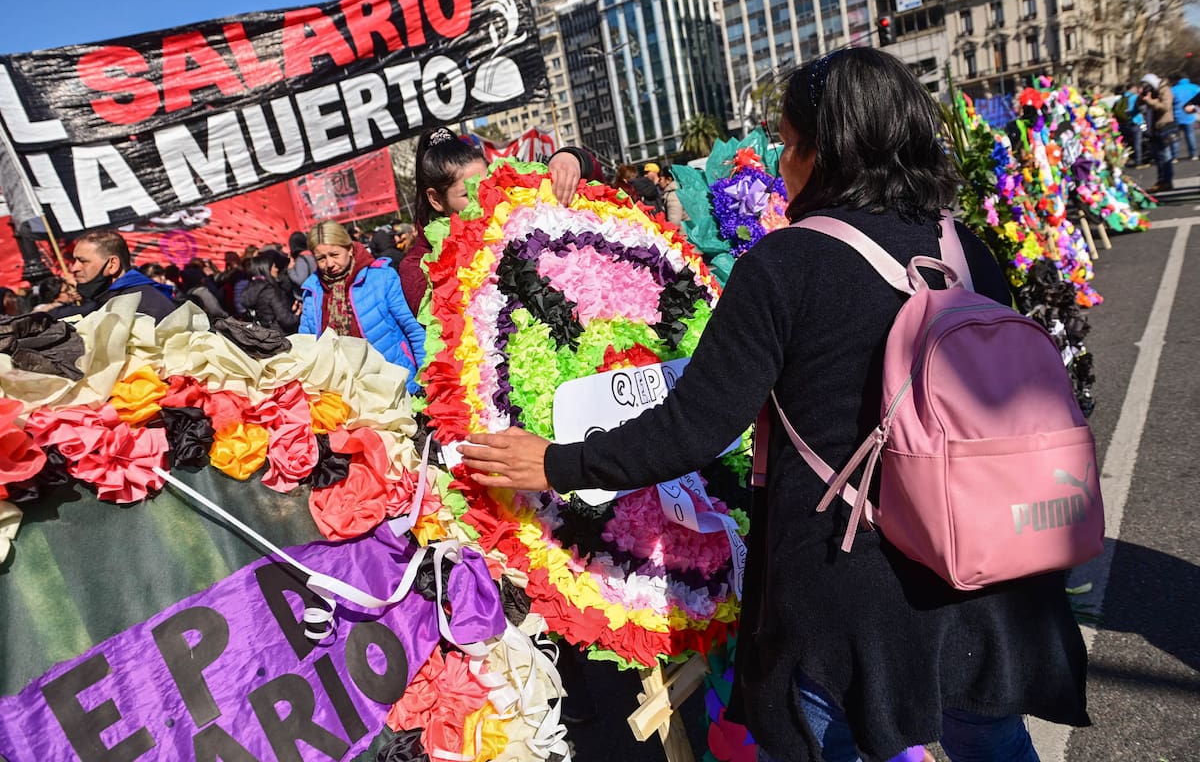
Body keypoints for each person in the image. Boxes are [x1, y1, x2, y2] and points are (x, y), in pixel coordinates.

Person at [460, 48, 1088, 762]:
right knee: (993, 738)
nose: (779, 164)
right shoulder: (966, 248)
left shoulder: (785, 266)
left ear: (830, 152)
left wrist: (555, 461)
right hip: (986, 562)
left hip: (854, 590)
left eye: (788, 144)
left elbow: (693, 427)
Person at [398, 126, 601, 316]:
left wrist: (571, 158)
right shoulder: (417, 265)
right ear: (436, 199)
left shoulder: (514, 208)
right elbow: (452, 328)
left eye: (487, 184)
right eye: (468, 194)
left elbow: (594, 176)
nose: (484, 199)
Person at [299, 220, 426, 394]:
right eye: (321, 258)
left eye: (334, 254)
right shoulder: (312, 293)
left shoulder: (381, 277)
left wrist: (427, 377)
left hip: (396, 384)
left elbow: (414, 330)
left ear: (350, 249)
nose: (329, 264)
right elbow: (306, 347)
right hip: (345, 394)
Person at [67, 230, 176, 322]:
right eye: (74, 260)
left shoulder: (143, 307)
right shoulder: (114, 299)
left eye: (83, 261)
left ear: (112, 265)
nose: (74, 268)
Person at [240, 252, 300, 333]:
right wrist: (298, 313)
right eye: (274, 267)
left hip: (262, 333)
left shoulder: (251, 288)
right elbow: (286, 320)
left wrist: (289, 309)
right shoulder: (269, 290)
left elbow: (267, 310)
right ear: (266, 269)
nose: (276, 269)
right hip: (278, 334)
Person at [1138, 73, 1177, 192]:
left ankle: (1166, 181)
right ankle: (1161, 180)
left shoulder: (1165, 90)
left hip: (1164, 126)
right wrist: (1142, 97)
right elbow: (1139, 105)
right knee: (1158, 157)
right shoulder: (1153, 92)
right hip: (1154, 128)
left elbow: (1165, 107)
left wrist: (1150, 101)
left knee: (1165, 156)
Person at [1171, 75, 1200, 160]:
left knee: (1176, 137)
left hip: (1177, 115)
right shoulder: (1194, 87)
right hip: (1190, 117)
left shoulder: (1173, 89)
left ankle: (1174, 156)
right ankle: (1193, 154)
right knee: (1190, 135)